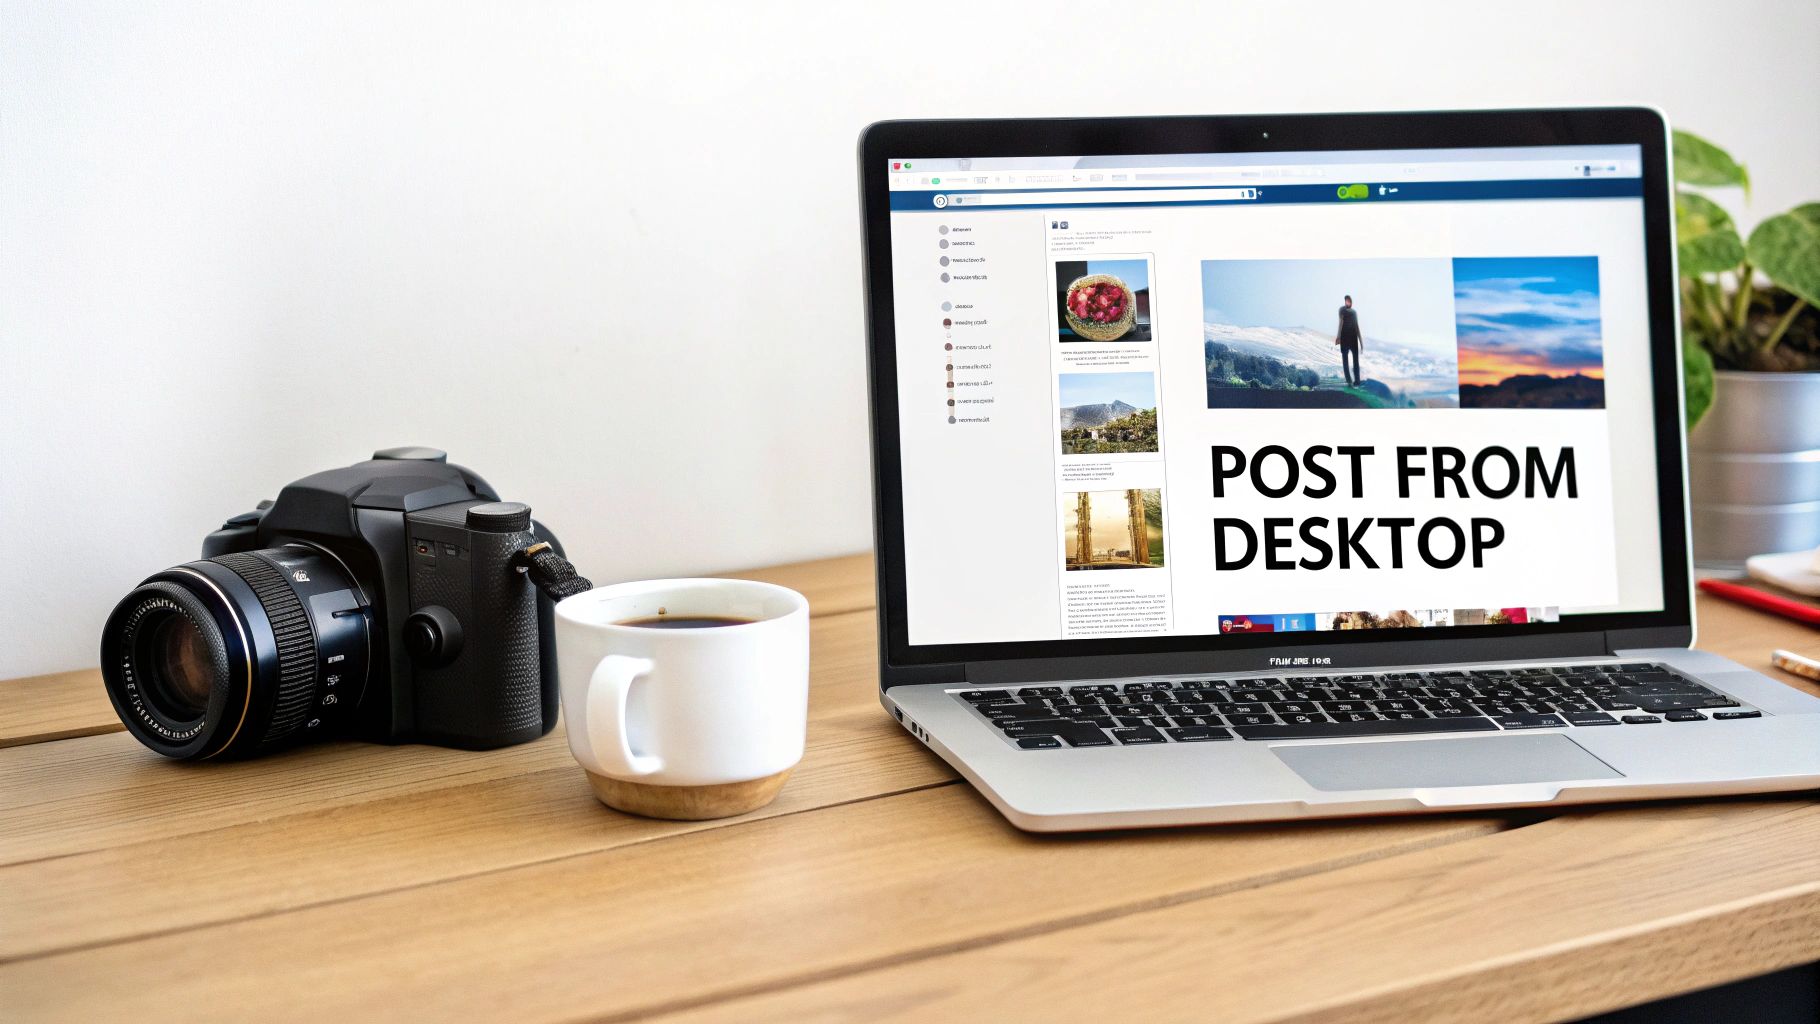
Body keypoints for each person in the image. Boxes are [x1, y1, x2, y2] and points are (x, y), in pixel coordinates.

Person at [1335, 294, 1362, 387]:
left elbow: (1357, 326)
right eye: (1346, 300)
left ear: (1351, 302)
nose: (1348, 302)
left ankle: (1357, 381)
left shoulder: (1354, 312)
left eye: (1349, 301)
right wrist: (1338, 336)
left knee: (1356, 361)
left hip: (1354, 338)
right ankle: (1349, 380)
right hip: (1344, 338)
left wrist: (1360, 341)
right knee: (1345, 360)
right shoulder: (1341, 310)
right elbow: (1341, 323)